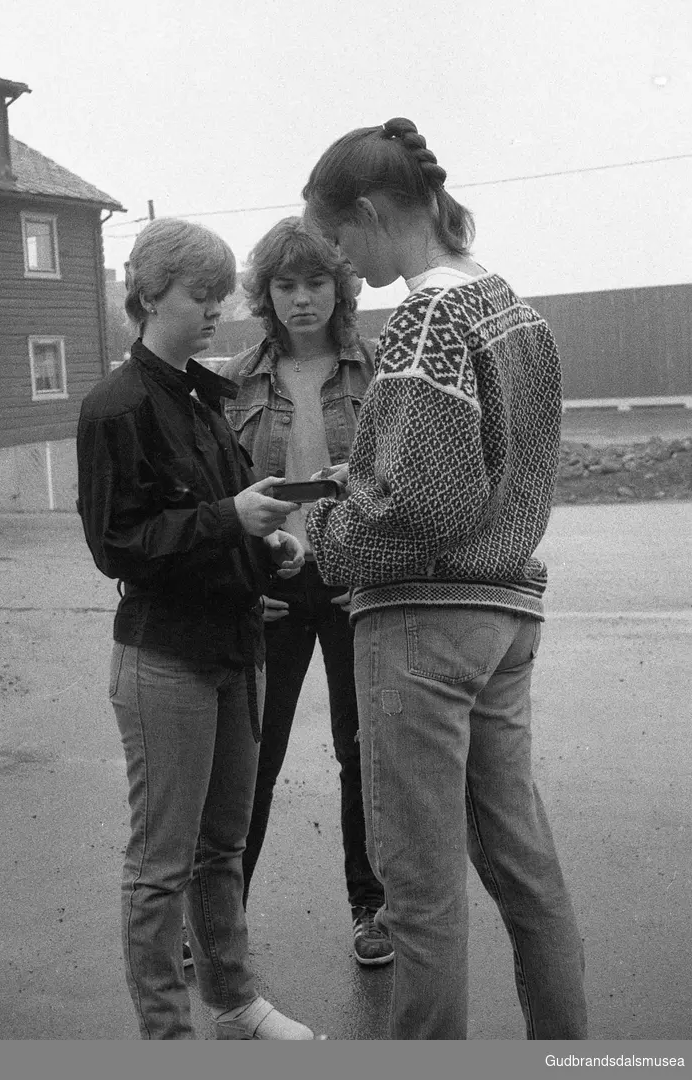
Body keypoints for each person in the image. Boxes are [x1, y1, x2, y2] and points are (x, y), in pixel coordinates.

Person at [302, 118, 588, 1040]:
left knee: (418, 893)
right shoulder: (514, 309)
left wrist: (318, 539)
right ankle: (569, 1054)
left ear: (374, 211)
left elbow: (420, 503)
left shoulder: (426, 315)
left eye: (338, 242)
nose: (340, 266)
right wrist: (359, 488)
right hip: (504, 616)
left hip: (423, 625)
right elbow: (483, 469)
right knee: (523, 868)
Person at [76, 217, 317, 1040]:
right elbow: (118, 547)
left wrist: (267, 545)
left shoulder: (201, 398)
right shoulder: (116, 407)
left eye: (220, 292)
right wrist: (228, 518)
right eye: (198, 293)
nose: (216, 307)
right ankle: (166, 1039)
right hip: (164, 660)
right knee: (158, 868)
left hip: (232, 648)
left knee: (222, 846)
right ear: (148, 295)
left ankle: (236, 1002)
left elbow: (219, 525)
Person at [218, 216, 393, 966]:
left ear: (339, 286)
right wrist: (238, 580)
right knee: (251, 755)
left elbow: (398, 482)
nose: (301, 299)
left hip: (356, 581)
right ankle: (220, 923)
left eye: (315, 282)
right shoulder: (231, 379)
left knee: (365, 750)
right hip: (274, 583)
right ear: (264, 293)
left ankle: (373, 911)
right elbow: (218, 493)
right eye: (284, 285)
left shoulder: (380, 367)